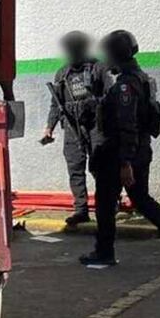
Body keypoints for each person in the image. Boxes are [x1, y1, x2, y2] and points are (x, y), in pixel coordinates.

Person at [81, 30, 160, 269]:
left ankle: (104, 252)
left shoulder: (125, 86)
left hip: (121, 154)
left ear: (115, 54)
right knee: (141, 199)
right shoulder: (142, 79)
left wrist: (125, 163)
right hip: (139, 150)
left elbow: (126, 125)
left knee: (106, 203)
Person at [42, 31, 100, 225]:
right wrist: (49, 126)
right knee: (75, 168)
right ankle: (81, 210)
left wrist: (92, 105)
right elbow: (55, 103)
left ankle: (107, 205)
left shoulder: (96, 68)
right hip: (72, 129)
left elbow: (109, 97)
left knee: (100, 168)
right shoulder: (62, 74)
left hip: (95, 127)